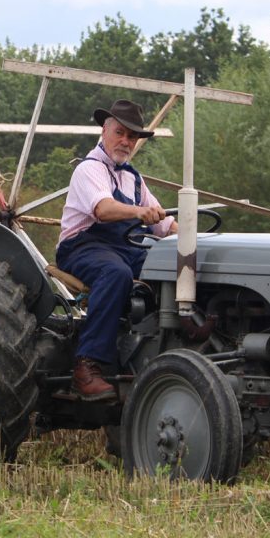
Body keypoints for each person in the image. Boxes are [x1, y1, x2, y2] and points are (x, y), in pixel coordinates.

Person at [56, 99, 178, 401]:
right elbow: (104, 209)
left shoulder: (133, 178)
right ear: (105, 130)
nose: (125, 141)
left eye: (132, 136)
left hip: (122, 248)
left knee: (174, 265)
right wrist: (138, 213)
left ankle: (167, 345)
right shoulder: (89, 169)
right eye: (120, 133)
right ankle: (87, 365)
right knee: (115, 273)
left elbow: (164, 225)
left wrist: (195, 240)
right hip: (82, 245)